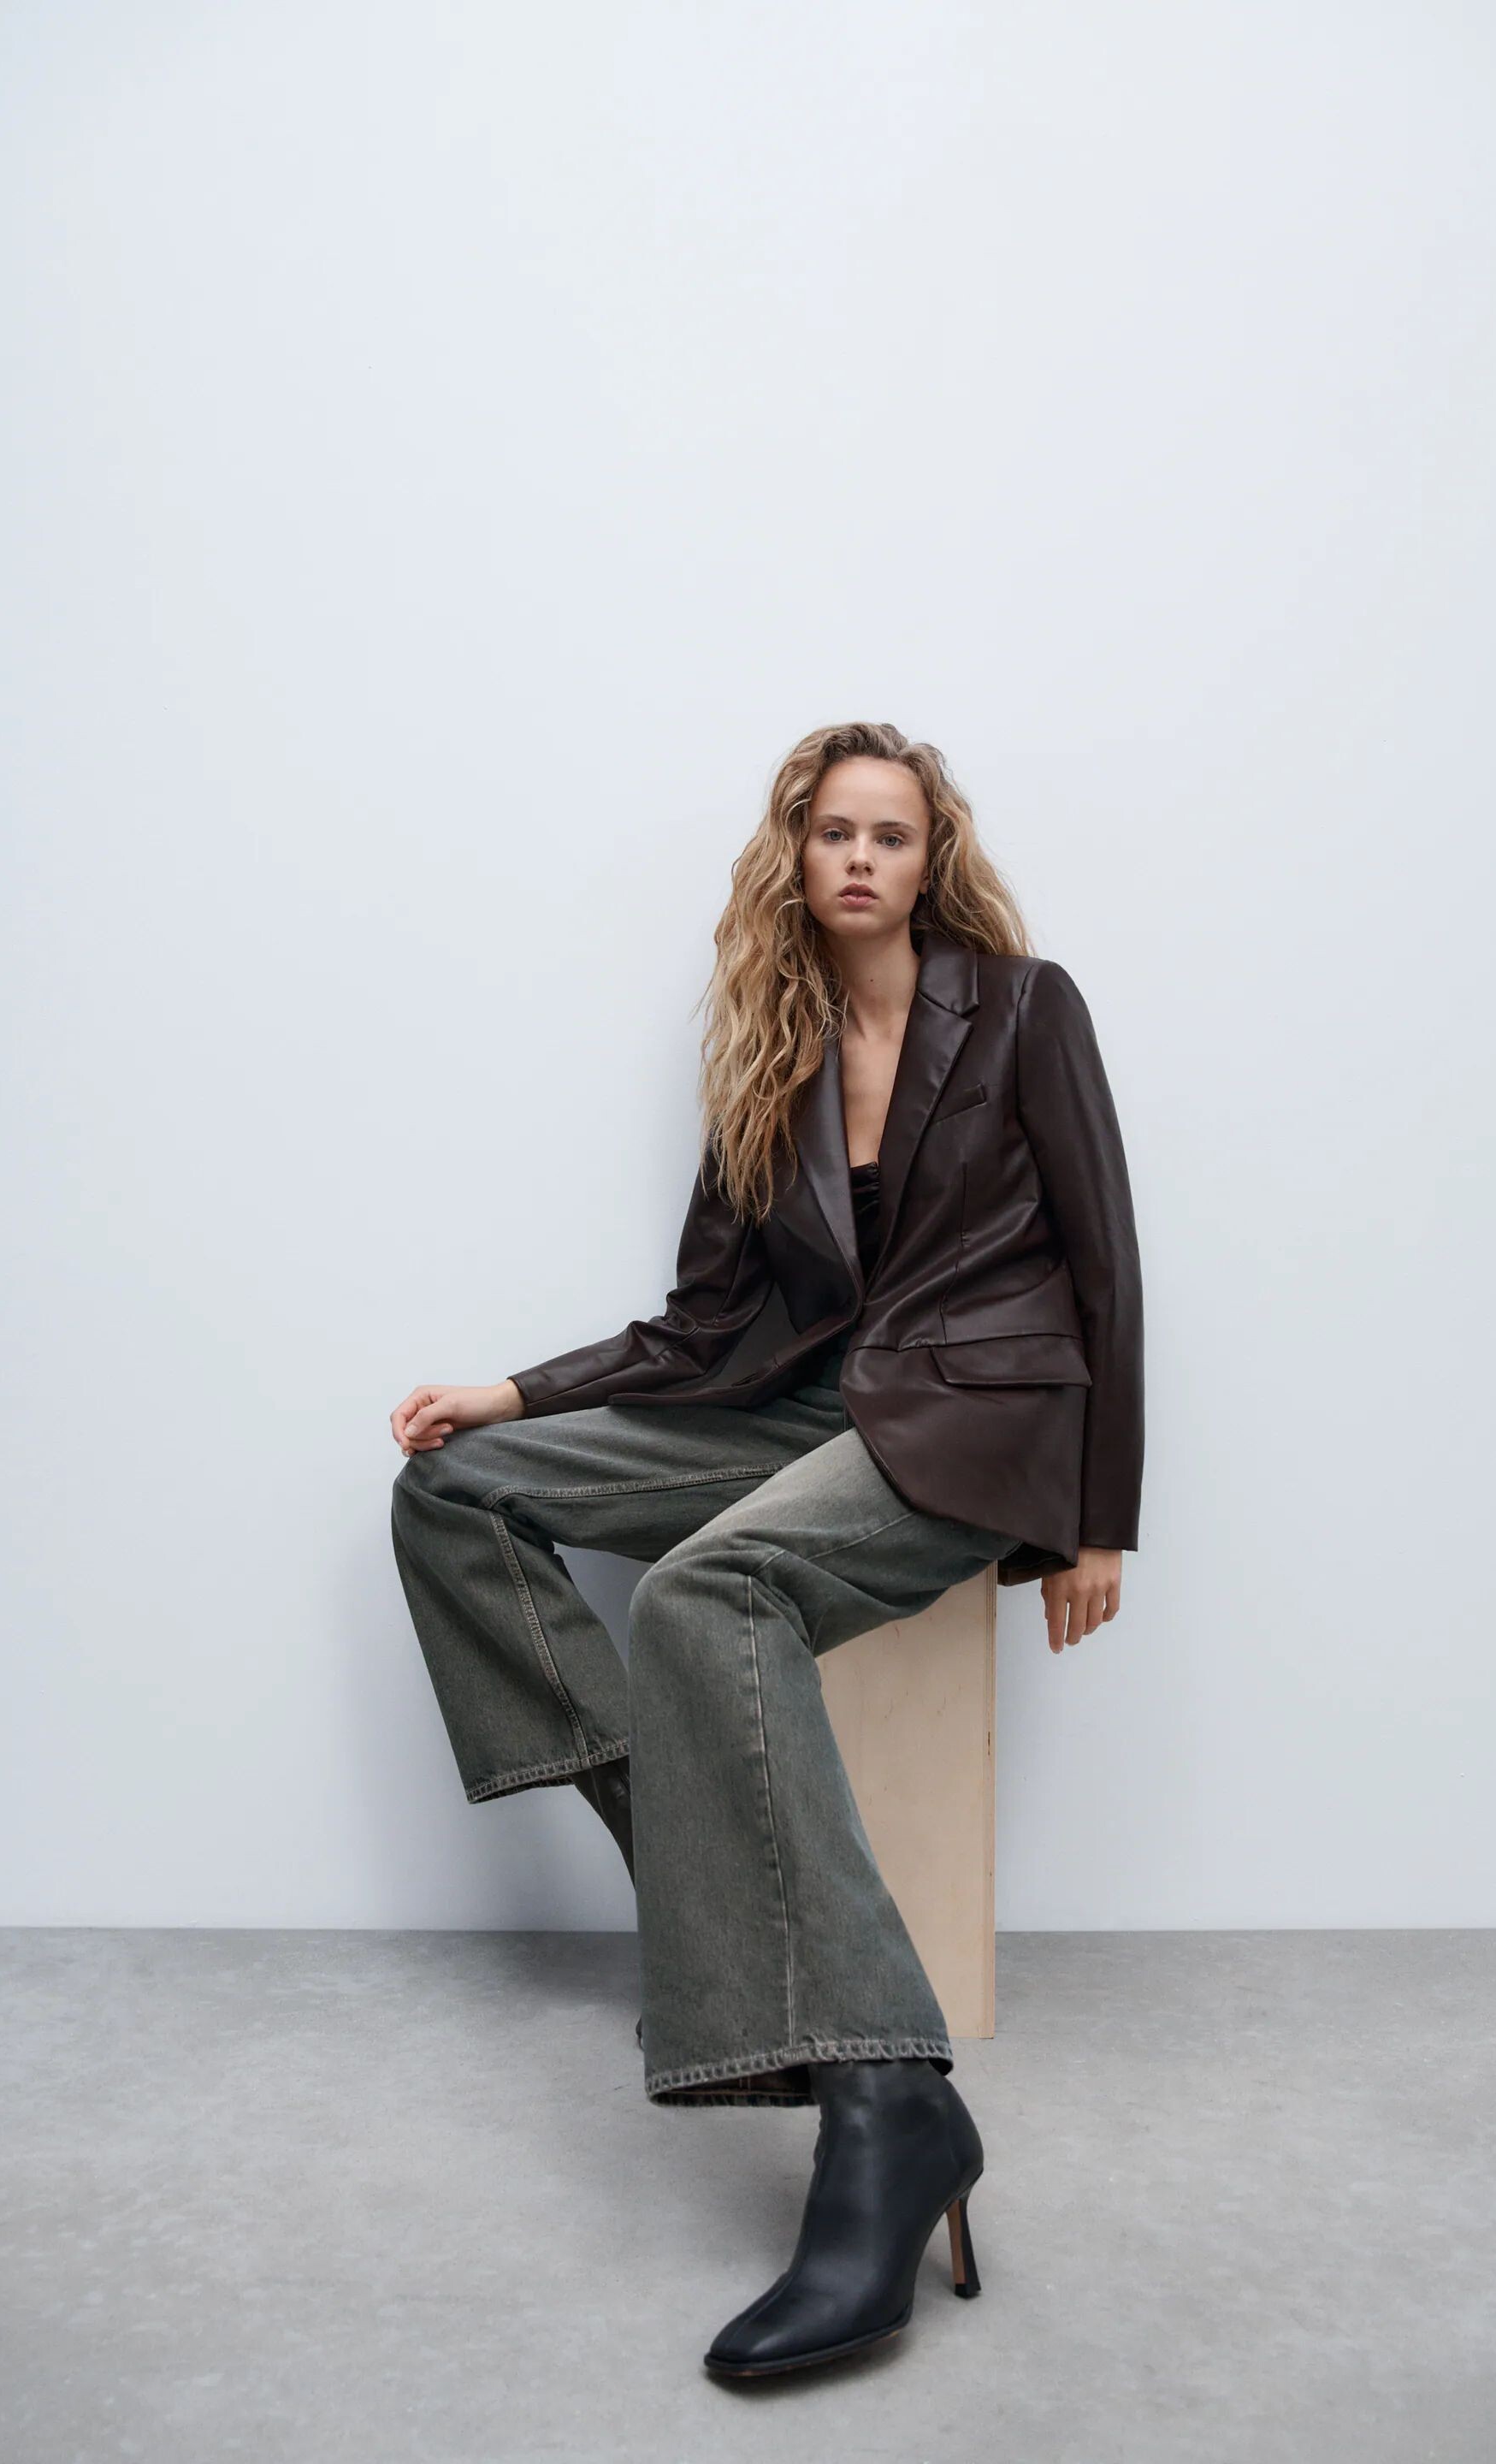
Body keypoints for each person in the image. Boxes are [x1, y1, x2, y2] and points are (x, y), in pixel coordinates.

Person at [387, 719, 1144, 2378]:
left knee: (706, 1590)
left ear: (931, 860)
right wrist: (514, 1393)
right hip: (798, 1411)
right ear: (795, 856)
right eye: (834, 831)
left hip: (972, 1426)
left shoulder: (1025, 1007)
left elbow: (1107, 1259)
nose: (861, 857)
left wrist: (1101, 1522)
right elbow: (700, 1325)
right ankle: (696, 1848)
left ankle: (887, 2105)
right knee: (459, 1492)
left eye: (892, 833)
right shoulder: (770, 1055)